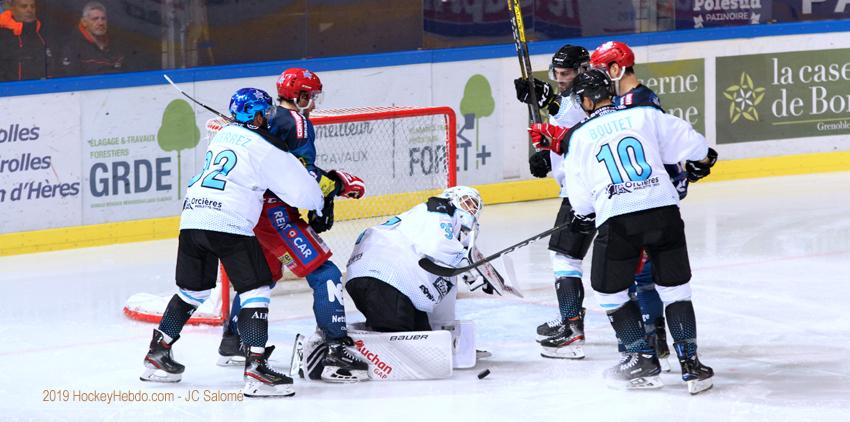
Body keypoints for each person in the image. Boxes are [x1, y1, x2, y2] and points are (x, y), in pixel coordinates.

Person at [139, 87, 325, 398]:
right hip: (228, 222)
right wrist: (319, 201)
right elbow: (301, 193)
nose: (268, 118)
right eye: (265, 113)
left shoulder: (223, 135)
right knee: (256, 290)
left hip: (192, 218)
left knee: (191, 292)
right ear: (256, 116)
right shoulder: (265, 146)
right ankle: (256, 369)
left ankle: (157, 354)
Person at [560, 69, 716, 393]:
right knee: (676, 290)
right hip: (663, 211)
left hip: (619, 220)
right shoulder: (644, 114)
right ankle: (692, 366)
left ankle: (640, 358)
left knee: (609, 292)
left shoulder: (580, 137)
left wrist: (584, 216)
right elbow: (695, 145)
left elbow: (581, 201)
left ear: (586, 102)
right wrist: (701, 161)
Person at [214, 68, 370, 383]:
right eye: (310, 96)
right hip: (276, 216)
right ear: (299, 95)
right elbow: (302, 174)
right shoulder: (297, 122)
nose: (313, 103)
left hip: (248, 213)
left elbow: (281, 164)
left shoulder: (262, 117)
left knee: (261, 279)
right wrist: (338, 185)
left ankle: (233, 340)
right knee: (325, 273)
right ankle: (335, 347)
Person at [589, 40, 691, 365]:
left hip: (647, 196)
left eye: (602, 70)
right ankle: (655, 336)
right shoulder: (631, 100)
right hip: (650, 193)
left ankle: (653, 337)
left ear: (616, 69)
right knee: (639, 272)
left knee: (643, 272)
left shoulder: (636, 103)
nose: (599, 78)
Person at [513, 44, 592, 359]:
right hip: (592, 189)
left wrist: (547, 99)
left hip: (583, 192)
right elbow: (569, 136)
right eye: (556, 74)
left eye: (566, 73)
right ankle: (647, 332)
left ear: (582, 71)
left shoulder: (586, 98)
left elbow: (573, 118)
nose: (560, 79)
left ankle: (572, 329)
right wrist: (549, 156)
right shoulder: (582, 96)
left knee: (565, 257)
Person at [345, 186, 483, 333]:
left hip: (394, 284)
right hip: (384, 275)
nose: (471, 210)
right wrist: (471, 270)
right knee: (399, 339)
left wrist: (446, 336)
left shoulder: (446, 251)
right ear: (452, 197)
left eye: (475, 208)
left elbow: (443, 315)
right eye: (467, 203)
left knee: (423, 336)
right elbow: (438, 244)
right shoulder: (440, 208)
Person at [59, 2, 127, 76]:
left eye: (103, 19)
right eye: (95, 19)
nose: (101, 23)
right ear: (84, 22)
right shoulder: (72, 47)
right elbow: (72, 79)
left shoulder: (117, 44)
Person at [0, 0, 51, 81]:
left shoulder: (44, 32)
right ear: (12, 8)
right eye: (24, 6)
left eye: (32, 6)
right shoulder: (3, 35)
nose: (29, 10)